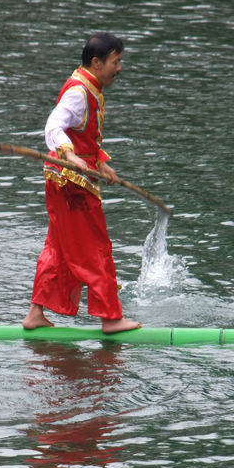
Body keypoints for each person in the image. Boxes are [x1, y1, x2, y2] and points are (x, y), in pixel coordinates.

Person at [23, 33, 142, 334]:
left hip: (62, 180)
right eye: (116, 62)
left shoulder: (89, 86)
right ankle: (110, 317)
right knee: (95, 247)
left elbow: (83, 134)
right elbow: (54, 125)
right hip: (72, 183)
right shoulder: (79, 91)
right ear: (97, 62)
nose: (119, 68)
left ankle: (35, 313)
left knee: (58, 247)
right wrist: (70, 155)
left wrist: (99, 161)